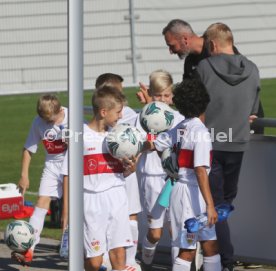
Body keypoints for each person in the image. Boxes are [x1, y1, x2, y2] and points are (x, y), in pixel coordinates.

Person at [195, 23, 261, 271]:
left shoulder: (204, 67)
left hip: (210, 143)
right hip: (238, 144)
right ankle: (218, 259)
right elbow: (253, 112)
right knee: (221, 205)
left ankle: (223, 260)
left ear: (212, 44)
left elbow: (195, 107)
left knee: (213, 204)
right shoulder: (253, 68)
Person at [148, 77, 221, 271]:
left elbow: (155, 144)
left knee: (210, 246)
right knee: (187, 250)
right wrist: (210, 205)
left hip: (184, 191)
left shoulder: (180, 127)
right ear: (204, 102)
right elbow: (200, 170)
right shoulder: (201, 132)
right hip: (191, 194)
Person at [61, 86, 134, 271]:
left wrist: (130, 169)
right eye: (118, 112)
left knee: (119, 255)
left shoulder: (119, 136)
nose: (120, 116)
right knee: (94, 262)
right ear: (103, 112)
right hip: (90, 200)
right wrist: (66, 211)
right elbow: (68, 174)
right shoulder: (80, 136)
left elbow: (119, 170)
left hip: (117, 196)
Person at [161, 18, 264, 134]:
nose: (170, 51)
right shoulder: (190, 61)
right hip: (219, 129)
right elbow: (189, 99)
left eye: (172, 45)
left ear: (185, 39)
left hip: (243, 125)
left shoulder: (222, 53)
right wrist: (163, 97)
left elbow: (238, 90)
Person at [136, 70, 184, 270]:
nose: (162, 99)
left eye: (166, 95)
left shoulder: (179, 117)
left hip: (174, 178)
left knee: (175, 230)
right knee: (155, 232)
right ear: (150, 94)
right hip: (151, 176)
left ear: (172, 96)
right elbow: (137, 143)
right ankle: (146, 259)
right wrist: (149, 143)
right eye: (158, 95)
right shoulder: (143, 116)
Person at [12, 94, 68, 266]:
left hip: (72, 164)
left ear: (60, 110)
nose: (47, 123)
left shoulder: (73, 118)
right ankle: (28, 250)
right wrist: (24, 175)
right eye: (44, 120)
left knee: (75, 210)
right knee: (41, 203)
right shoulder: (38, 122)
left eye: (50, 120)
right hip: (51, 166)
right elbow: (28, 149)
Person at [95, 73, 142, 271]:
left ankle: (129, 262)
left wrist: (133, 160)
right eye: (119, 93)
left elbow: (143, 140)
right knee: (105, 219)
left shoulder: (130, 114)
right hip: (103, 181)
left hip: (126, 175)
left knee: (129, 216)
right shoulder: (94, 128)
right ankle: (105, 259)